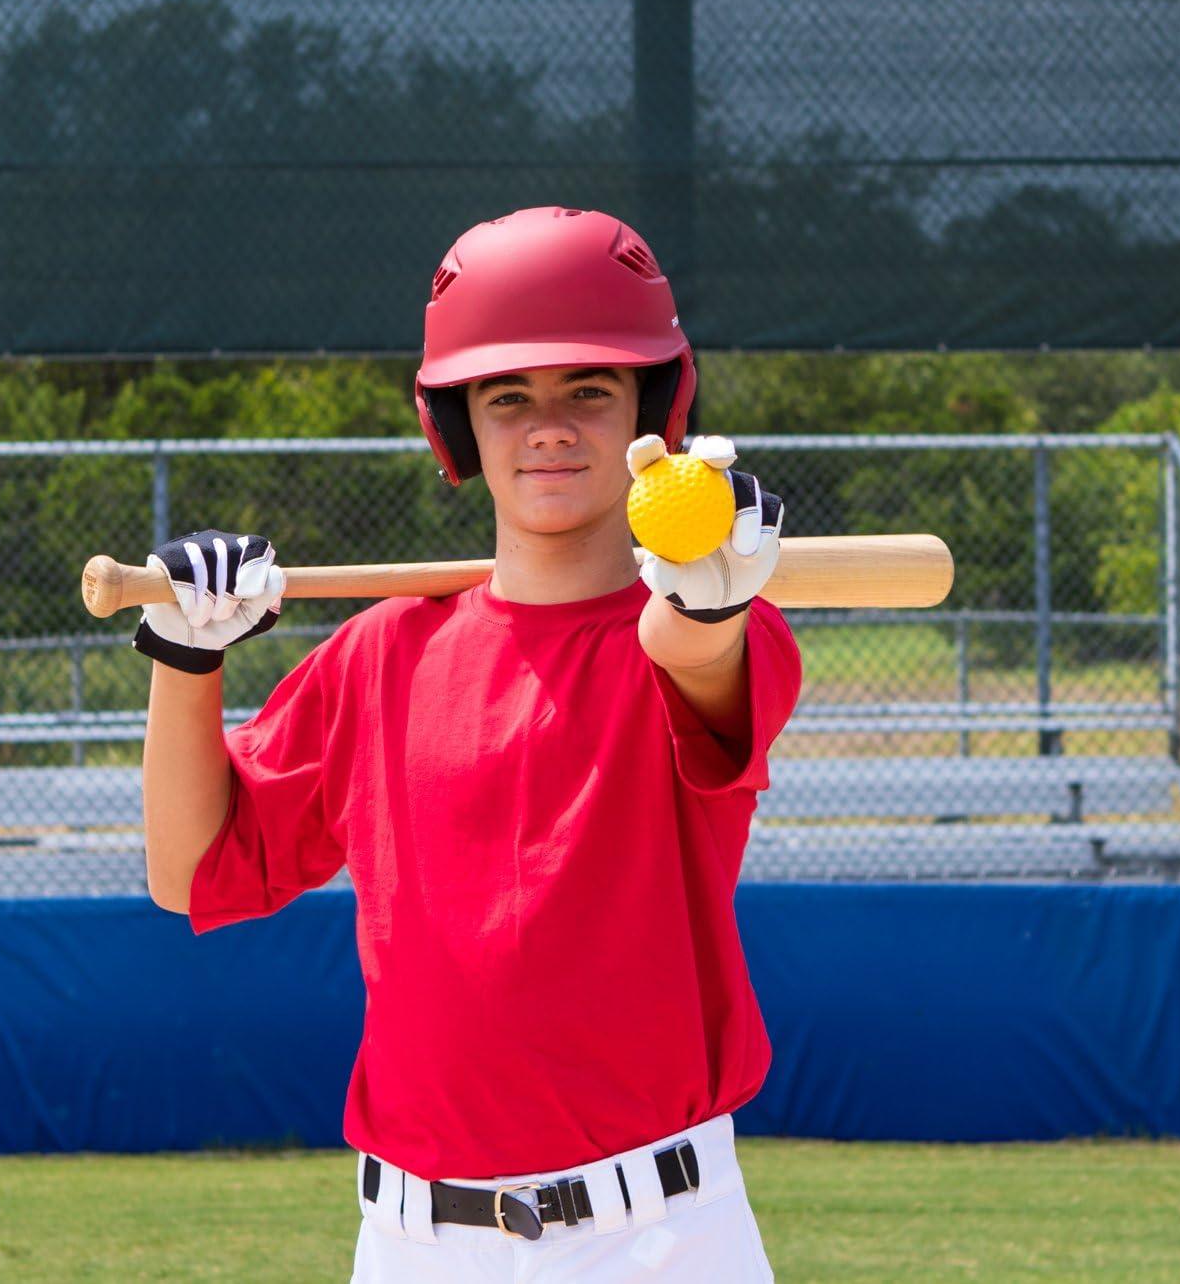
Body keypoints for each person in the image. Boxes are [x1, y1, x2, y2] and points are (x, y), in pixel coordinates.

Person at [135, 205, 802, 1281]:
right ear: (458, 425)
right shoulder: (380, 654)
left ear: (654, 410)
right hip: (417, 1242)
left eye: (589, 389)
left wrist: (708, 607)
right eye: (508, 396)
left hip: (662, 1234)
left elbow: (693, 656)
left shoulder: (717, 627)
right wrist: (184, 662)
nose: (549, 424)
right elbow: (188, 871)